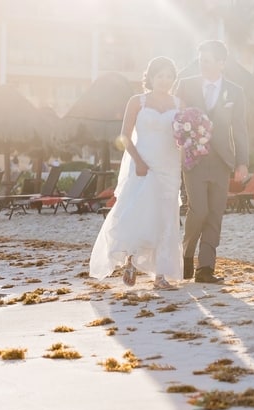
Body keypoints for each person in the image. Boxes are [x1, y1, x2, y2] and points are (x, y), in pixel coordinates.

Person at [89, 56, 182, 290]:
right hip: (143, 165)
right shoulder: (137, 101)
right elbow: (124, 137)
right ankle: (130, 259)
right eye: (160, 75)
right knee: (138, 211)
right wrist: (138, 161)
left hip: (170, 165)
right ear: (150, 77)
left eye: (169, 76)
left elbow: (184, 134)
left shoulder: (179, 103)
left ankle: (160, 275)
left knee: (166, 216)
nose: (164, 80)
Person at [175, 40, 249, 284]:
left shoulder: (235, 91)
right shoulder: (185, 86)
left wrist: (242, 163)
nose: (203, 65)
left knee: (215, 214)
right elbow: (175, 121)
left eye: (207, 60)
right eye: (200, 60)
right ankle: (186, 254)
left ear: (221, 62)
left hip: (221, 160)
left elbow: (240, 130)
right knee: (199, 209)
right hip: (193, 159)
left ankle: (205, 268)